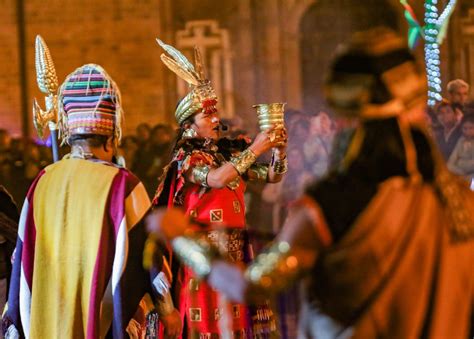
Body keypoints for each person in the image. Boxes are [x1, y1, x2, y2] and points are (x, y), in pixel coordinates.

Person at [147, 28, 474, 338]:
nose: (216, 120)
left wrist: (182, 238)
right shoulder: (461, 202)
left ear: (345, 119)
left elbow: (252, 285)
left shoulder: (328, 205)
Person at [2, 64, 181, 338]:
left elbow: (23, 255)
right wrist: (167, 309)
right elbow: (151, 255)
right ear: (110, 140)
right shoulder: (124, 185)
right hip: (98, 322)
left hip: (47, 318)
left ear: (70, 136)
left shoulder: (42, 182)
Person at [152, 39, 288, 338]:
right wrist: (254, 148)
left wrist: (277, 151)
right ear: (190, 125)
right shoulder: (186, 158)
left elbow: (272, 177)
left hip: (235, 256)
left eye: (215, 113)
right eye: (207, 115)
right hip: (202, 262)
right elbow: (216, 179)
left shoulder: (226, 153)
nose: (216, 119)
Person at [448, 114, 474, 180]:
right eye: (465, 128)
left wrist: (459, 163)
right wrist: (461, 173)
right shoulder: (460, 140)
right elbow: (451, 162)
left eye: (471, 128)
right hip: (460, 174)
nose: (468, 131)